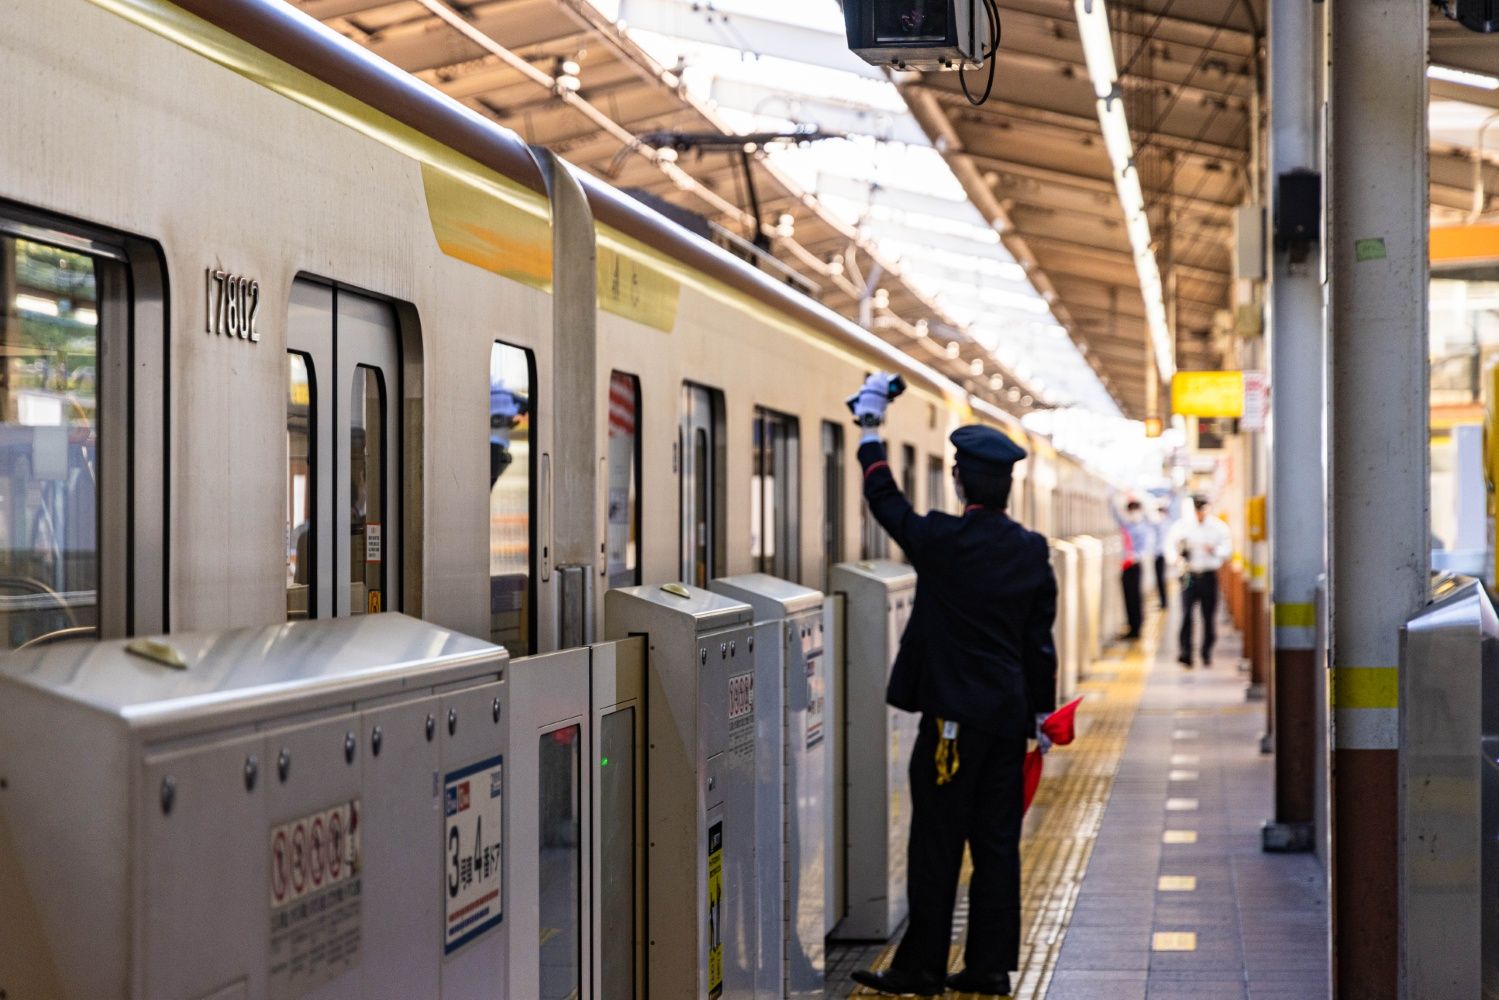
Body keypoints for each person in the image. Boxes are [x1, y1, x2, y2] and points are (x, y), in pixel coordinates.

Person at [845, 373, 1058, 999]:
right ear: (1009, 487)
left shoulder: (942, 540)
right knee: (997, 845)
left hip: (951, 728)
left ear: (960, 481)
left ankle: (922, 968)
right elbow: (1038, 642)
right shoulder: (1031, 551)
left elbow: (886, 501)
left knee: (937, 844)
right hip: (1007, 723)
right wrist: (1041, 717)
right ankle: (990, 968)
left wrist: (870, 432)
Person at [1167, 494, 1233, 667]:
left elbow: (1227, 550)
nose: (1199, 513)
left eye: (1202, 509)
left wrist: (1214, 550)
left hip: (1208, 575)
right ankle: (1186, 652)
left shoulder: (1218, 527)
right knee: (1186, 614)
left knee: (1208, 616)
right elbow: (1170, 548)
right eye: (1196, 509)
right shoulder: (1181, 526)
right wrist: (1176, 558)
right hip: (1188, 575)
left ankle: (1206, 651)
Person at [1109, 493, 1153, 639]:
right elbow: (1115, 514)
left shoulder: (1144, 528)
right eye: (1131, 510)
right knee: (1128, 597)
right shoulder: (1127, 525)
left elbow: (1145, 549)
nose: (1133, 513)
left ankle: (1137, 627)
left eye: (1135, 509)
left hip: (1135, 565)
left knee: (1135, 597)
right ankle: (1132, 626)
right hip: (1126, 566)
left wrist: (1133, 557)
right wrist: (1115, 497)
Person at [1152, 501, 1171, 611]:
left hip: (1160, 554)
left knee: (1161, 578)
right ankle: (1164, 600)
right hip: (1161, 554)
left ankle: (1164, 601)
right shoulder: (1165, 522)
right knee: (1161, 578)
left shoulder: (1163, 523)